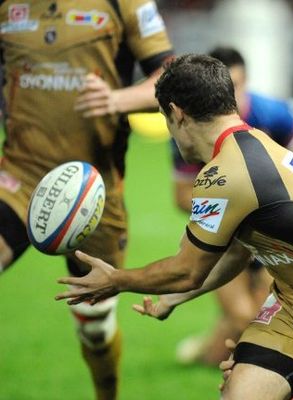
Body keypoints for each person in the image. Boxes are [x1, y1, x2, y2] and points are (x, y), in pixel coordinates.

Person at [55, 54, 293, 400]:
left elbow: (186, 270)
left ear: (176, 113)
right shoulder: (251, 146)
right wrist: (174, 299)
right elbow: (236, 249)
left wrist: (114, 280)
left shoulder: (225, 174)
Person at [0, 1, 174, 399]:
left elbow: (171, 77)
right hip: (18, 177)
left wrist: (117, 99)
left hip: (92, 190)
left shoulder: (126, 4)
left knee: (95, 328)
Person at [172, 46, 293, 367]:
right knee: (240, 324)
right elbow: (181, 196)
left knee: (266, 318)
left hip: (273, 231)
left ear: (246, 81)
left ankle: (223, 353)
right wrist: (230, 210)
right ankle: (215, 348)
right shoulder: (188, 128)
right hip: (226, 235)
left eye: (235, 86)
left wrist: (263, 211)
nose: (229, 97)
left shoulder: (273, 115)